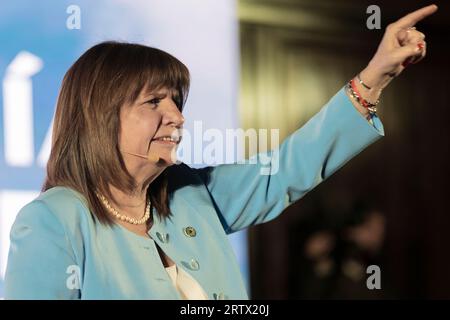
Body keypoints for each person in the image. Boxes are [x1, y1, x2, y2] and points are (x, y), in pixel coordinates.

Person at [4, 5, 438, 299]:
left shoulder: (191, 193)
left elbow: (286, 169)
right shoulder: (52, 221)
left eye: (177, 101)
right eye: (154, 102)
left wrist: (373, 80)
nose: (177, 117)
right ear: (99, 116)